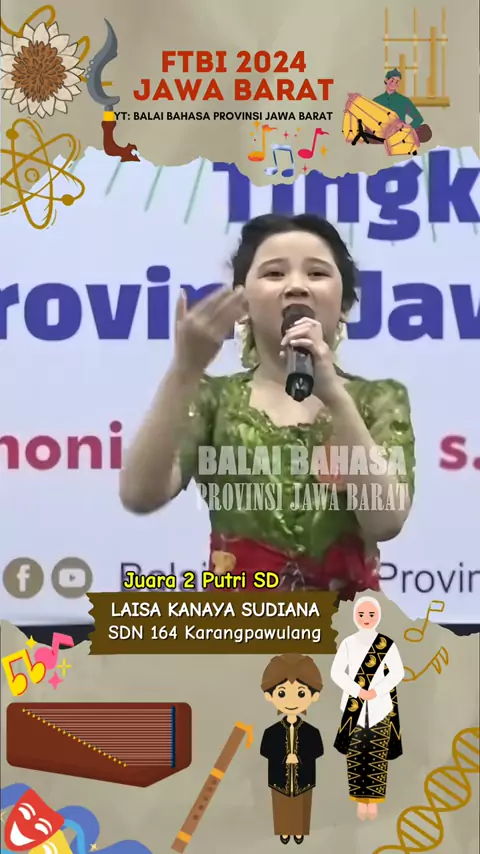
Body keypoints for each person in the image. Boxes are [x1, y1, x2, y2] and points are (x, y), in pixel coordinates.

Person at [119, 213, 415, 599]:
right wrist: (184, 371)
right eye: (275, 274)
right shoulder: (213, 399)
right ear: (242, 302)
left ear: (344, 304)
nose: (296, 286)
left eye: (317, 273)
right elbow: (139, 495)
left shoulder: (378, 400)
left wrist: (335, 398)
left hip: (348, 627)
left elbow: (385, 521)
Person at [330, 596, 405, 820]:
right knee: (356, 755)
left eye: (371, 614)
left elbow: (397, 672)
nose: (366, 618)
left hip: (380, 707)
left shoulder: (386, 644)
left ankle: (374, 800)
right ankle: (359, 800)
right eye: (361, 614)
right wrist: (357, 690)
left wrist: (376, 691)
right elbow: (336, 672)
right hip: (353, 708)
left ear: (378, 616)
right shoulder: (348, 643)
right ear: (355, 616)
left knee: (376, 755)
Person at [259, 653, 324, 845]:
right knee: (281, 805)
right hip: (279, 778)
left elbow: (318, 750)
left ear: (314, 695)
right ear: (269, 695)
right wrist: (283, 758)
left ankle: (299, 831)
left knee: (302, 805)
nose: (292, 700)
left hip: (304, 777)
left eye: (301, 693)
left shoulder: (312, 731)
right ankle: (284, 831)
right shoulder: (271, 731)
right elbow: (265, 749)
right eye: (282, 693)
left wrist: (300, 758)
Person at [373, 69, 432, 143]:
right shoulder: (377, 100)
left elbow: (418, 119)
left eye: (397, 81)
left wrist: (407, 127)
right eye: (392, 80)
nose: (394, 83)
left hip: (400, 139)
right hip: (379, 138)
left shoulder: (404, 101)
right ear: (386, 80)